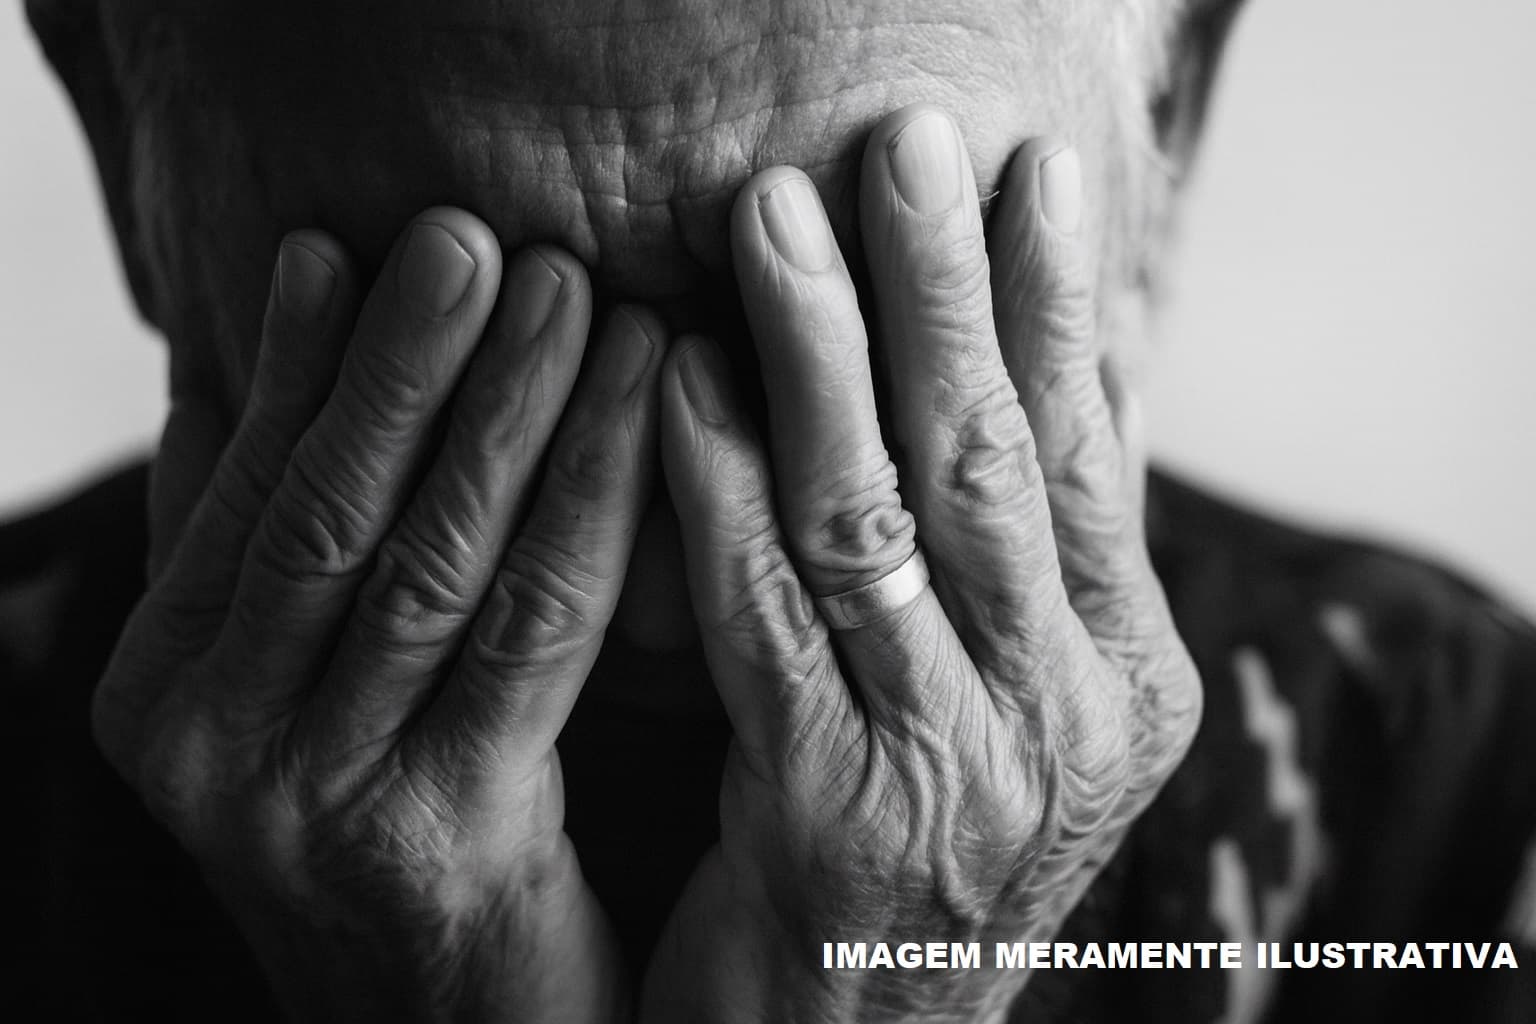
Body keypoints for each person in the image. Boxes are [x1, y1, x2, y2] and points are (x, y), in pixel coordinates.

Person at [10, 0, 1536, 1020]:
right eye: (478, 373)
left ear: (1169, 127)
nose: (676, 600)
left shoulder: (1470, 823)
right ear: (124, 148)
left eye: (851, 328)